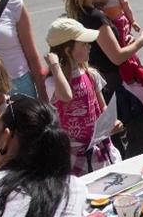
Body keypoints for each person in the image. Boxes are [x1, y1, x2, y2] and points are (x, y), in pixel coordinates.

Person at [62, 0, 143, 158]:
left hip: (97, 82)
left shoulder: (75, 14)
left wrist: (124, 41)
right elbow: (116, 56)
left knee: (113, 140)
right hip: (112, 85)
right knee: (139, 138)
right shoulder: (95, 17)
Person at [44, 18, 122, 176]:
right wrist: (55, 66)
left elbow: (102, 107)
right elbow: (66, 96)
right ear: (68, 50)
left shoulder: (90, 74)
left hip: (99, 146)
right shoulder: (53, 82)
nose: (89, 46)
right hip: (74, 153)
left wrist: (112, 122)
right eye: (84, 44)